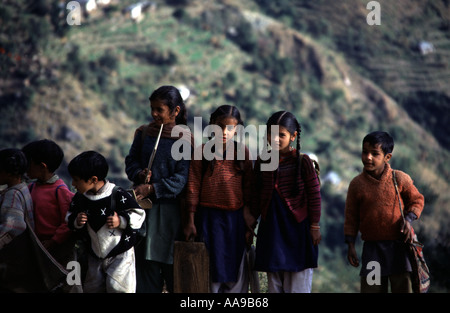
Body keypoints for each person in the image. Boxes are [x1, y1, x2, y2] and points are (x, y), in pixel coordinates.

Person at [125, 85, 192, 293]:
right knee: (144, 268)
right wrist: (138, 174)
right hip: (143, 212)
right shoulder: (144, 133)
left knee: (172, 270)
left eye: (159, 110)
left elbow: (182, 179)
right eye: (152, 108)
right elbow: (131, 161)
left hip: (171, 215)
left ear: (175, 112)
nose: (154, 114)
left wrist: (152, 188)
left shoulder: (184, 139)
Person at [184, 104, 254, 293]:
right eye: (220, 126)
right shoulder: (202, 152)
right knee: (210, 265)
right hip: (208, 217)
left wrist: (249, 220)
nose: (224, 132)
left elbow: (249, 188)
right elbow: (193, 186)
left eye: (230, 128)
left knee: (235, 265)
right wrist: (191, 220)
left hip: (235, 218)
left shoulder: (243, 153)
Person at [344, 131, 425, 293]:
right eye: (365, 152)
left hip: (399, 248)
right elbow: (351, 216)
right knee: (371, 289)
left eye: (375, 154)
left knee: (403, 288)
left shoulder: (399, 179)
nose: (368, 157)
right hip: (372, 250)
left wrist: (408, 219)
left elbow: (417, 200)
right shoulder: (357, 185)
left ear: (387, 157)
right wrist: (350, 244)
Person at [252, 111, 321, 293]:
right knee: (274, 284)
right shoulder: (263, 161)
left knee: (297, 282)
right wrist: (250, 223)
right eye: (271, 134)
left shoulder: (302, 161)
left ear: (293, 136)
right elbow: (257, 195)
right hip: (272, 230)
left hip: (297, 231)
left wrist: (314, 226)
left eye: (281, 135)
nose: (275, 139)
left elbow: (314, 195)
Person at [66, 151, 146, 293]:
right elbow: (69, 216)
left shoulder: (117, 194)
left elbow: (139, 214)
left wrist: (121, 221)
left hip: (120, 253)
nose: (73, 184)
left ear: (93, 179)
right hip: (95, 253)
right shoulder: (80, 199)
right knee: (93, 288)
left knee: (119, 288)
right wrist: (77, 221)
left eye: (77, 180)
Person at [22, 139, 74, 265]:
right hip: (36, 247)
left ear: (42, 166)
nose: (25, 168)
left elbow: (68, 221)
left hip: (56, 250)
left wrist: (54, 241)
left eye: (28, 164)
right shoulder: (31, 188)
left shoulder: (60, 191)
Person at [0, 148, 34, 250]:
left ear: (9, 173)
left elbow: (13, 226)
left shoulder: (13, 194)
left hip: (12, 254)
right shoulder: (22, 188)